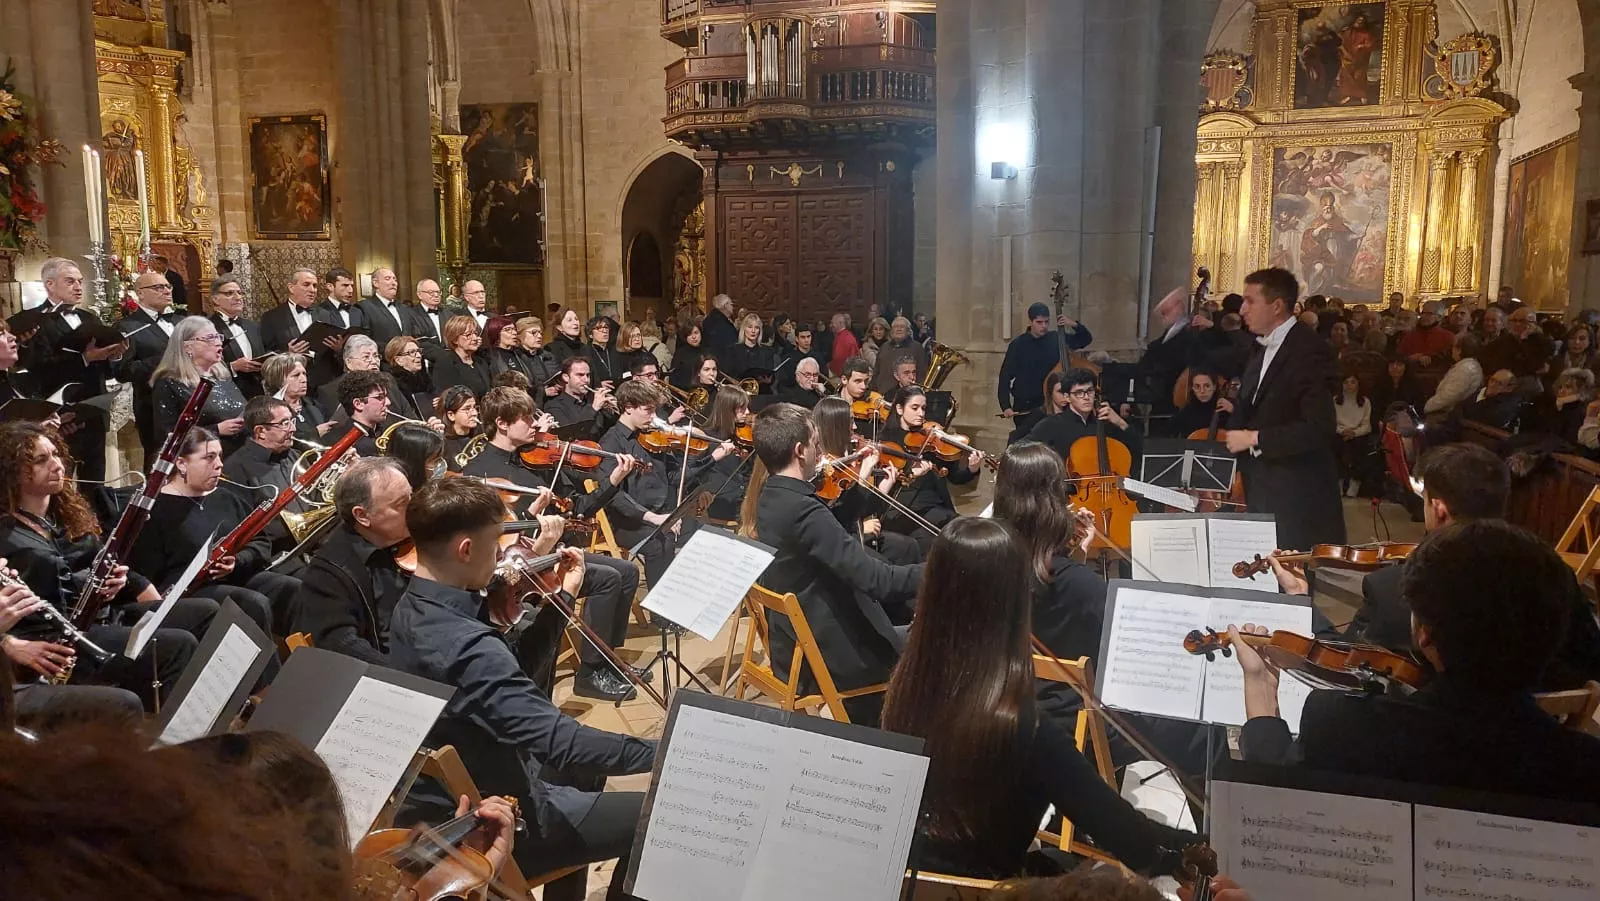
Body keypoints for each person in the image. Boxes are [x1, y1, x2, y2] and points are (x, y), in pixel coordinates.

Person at [881, 516, 1194, 878]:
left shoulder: (902, 692)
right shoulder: (1021, 727)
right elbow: (1129, 839)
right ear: (1013, 605)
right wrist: (1190, 848)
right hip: (991, 884)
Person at [387, 477, 653, 901]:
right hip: (498, 823)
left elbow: (512, 679)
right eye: (495, 544)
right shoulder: (467, 645)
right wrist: (669, 752)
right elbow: (560, 743)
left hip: (462, 789)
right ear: (466, 550)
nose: (500, 556)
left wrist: (562, 599)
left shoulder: (410, 606)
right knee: (658, 821)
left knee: (590, 768)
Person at [1235, 518, 1600, 803]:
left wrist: (1262, 694)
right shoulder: (1585, 768)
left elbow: (1274, 793)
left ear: (1424, 634)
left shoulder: (1343, 726)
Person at [1266, 442, 1600, 692]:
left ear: (1438, 508)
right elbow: (1589, 663)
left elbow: (1344, 665)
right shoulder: (1554, 573)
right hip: (1533, 749)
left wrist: (1300, 597)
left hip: (1425, 744)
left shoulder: (1397, 588)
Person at [461, 386, 646, 701]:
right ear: (502, 424)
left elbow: (578, 508)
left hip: (553, 553)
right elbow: (495, 540)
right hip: (519, 567)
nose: (535, 425)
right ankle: (590, 674)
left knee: (627, 571)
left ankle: (607, 659)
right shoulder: (478, 474)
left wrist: (613, 481)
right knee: (608, 578)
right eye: (526, 418)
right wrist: (533, 518)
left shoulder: (535, 464)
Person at [0, 422, 198, 711]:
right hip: (53, 640)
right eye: (41, 460)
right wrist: (7, 641)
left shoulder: (63, 515)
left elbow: (74, 575)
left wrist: (113, 585)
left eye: (55, 454)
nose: (57, 465)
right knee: (175, 646)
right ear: (12, 472)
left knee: (198, 615)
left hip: (92, 619)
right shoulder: (7, 535)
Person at [749, 402, 921, 725]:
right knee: (932, 640)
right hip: (835, 653)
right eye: (816, 445)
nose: (821, 452)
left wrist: (858, 490)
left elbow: (827, 524)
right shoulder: (803, 510)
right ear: (800, 451)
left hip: (800, 643)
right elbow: (878, 581)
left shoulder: (774, 496)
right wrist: (940, 570)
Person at [125, 427, 296, 640]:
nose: (220, 464)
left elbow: (260, 541)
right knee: (252, 604)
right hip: (189, 591)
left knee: (292, 588)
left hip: (235, 576)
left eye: (220, 456)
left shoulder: (226, 497)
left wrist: (238, 560)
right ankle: (264, 672)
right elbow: (137, 567)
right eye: (209, 457)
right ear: (181, 464)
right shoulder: (154, 510)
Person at [1223, 267, 1345, 550]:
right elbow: (1251, 408)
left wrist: (1255, 438)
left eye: (1250, 300)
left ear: (1276, 306)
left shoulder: (1310, 350)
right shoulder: (1258, 347)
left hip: (1296, 492)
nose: (1242, 310)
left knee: (1293, 581)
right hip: (1261, 483)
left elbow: (1318, 428)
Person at [596, 380, 735, 587]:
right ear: (627, 408)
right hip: (630, 521)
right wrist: (654, 518)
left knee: (706, 534)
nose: (654, 417)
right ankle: (660, 615)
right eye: (648, 411)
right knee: (659, 543)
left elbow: (675, 477)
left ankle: (690, 595)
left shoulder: (652, 438)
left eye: (654, 410)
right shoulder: (610, 443)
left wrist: (712, 459)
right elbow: (614, 497)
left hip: (662, 514)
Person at [296, 457, 414, 665]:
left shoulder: (412, 537)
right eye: (402, 504)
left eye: (411, 496)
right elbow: (341, 644)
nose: (415, 509)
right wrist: (407, 677)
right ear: (362, 516)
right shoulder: (327, 573)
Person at [26, 258, 124, 480]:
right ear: (49, 284)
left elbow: (106, 370)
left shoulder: (89, 317)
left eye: (80, 281)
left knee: (96, 483)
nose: (78, 287)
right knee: (59, 483)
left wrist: (114, 355)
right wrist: (84, 358)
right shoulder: (35, 322)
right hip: (62, 416)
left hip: (94, 411)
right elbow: (39, 369)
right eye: (70, 281)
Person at [151, 316, 249, 454]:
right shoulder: (168, 383)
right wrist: (216, 430)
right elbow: (167, 437)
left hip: (241, 453)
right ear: (188, 347)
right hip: (205, 458)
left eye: (218, 337)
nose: (218, 343)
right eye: (210, 338)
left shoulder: (221, 376)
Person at [998, 302, 1093, 443]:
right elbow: (1005, 376)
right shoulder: (1018, 345)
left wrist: (1074, 324)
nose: (1043, 326)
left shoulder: (1055, 338)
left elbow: (1085, 340)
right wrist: (1005, 405)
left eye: (1046, 322)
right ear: (1031, 322)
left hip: (1049, 402)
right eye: (1039, 322)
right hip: (1026, 404)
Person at [118, 271, 181, 459]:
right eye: (158, 287)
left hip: (188, 400)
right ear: (140, 293)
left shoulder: (181, 321)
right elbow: (123, 371)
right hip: (153, 407)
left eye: (168, 286)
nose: (166, 291)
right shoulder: (129, 326)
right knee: (157, 461)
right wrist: (162, 361)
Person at [1027, 367, 1141, 462]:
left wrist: (1120, 422)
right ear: (1067, 397)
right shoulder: (1052, 424)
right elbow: (1021, 450)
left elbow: (1136, 448)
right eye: (1079, 393)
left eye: (1089, 391)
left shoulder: (1104, 424)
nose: (1086, 397)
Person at [208, 275, 266, 400]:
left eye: (240, 293)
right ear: (215, 299)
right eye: (229, 293)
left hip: (257, 392)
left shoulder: (252, 325)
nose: (238, 297)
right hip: (227, 393)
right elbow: (202, 367)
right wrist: (233, 367)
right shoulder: (207, 327)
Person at [261, 353, 330, 442]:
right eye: (296, 375)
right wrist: (316, 433)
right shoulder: (271, 412)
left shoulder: (313, 404)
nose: (303, 380)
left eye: (304, 374)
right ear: (279, 381)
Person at [325, 369, 392, 456]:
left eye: (386, 396)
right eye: (380, 397)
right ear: (358, 404)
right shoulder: (341, 443)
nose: (388, 402)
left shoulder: (386, 433)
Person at [544, 356, 613, 436]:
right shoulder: (553, 406)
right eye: (580, 375)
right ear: (566, 377)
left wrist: (611, 411)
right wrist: (593, 408)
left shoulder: (591, 401)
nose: (586, 380)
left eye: (588, 375)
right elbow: (570, 435)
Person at [1423, 332, 1483, 423]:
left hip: (1447, 417)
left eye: (1453, 347)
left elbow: (1449, 396)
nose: (1451, 350)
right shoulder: (1468, 365)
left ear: (1459, 350)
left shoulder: (1465, 369)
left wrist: (1426, 407)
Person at [432, 315, 493, 399]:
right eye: (468, 335)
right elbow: (448, 398)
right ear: (454, 339)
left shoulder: (481, 362)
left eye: (475, 333)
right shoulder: (445, 364)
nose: (475, 338)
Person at [870, 316, 932, 395]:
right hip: (882, 395)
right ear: (892, 330)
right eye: (896, 327)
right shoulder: (884, 347)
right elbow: (876, 372)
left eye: (902, 327)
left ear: (908, 330)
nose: (898, 329)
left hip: (906, 396)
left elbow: (922, 374)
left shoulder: (917, 348)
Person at [1334, 373, 1372, 497]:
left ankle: (1354, 482)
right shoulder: (1335, 401)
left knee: (1359, 448)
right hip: (1340, 433)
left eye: (1353, 382)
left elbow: (1367, 426)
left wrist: (1354, 433)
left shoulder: (1365, 402)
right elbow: (1331, 423)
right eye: (1346, 382)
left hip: (1358, 434)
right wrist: (1342, 431)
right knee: (1338, 446)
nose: (1349, 385)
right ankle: (1339, 482)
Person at [358, 267, 411, 347]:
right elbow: (365, 341)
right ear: (375, 283)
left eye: (395, 279)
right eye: (387, 279)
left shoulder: (404, 308)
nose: (393, 283)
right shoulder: (364, 307)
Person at [1168, 370, 1229, 436]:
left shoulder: (1225, 408)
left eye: (1207, 386)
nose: (1202, 391)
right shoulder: (1187, 411)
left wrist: (1234, 413)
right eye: (1197, 387)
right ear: (1193, 388)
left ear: (1214, 387)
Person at [668, 321, 705, 389]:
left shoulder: (708, 351)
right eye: (689, 334)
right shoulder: (680, 354)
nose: (694, 337)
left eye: (696, 333)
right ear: (685, 337)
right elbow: (673, 380)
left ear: (701, 333)